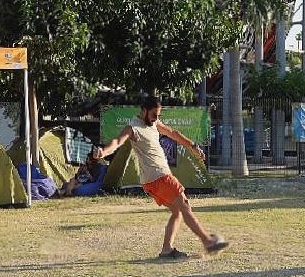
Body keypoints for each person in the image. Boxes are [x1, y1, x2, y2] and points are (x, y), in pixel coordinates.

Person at [94, 96, 228, 259]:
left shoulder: (154, 124)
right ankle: (208, 242)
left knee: (177, 211)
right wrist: (103, 152)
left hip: (152, 181)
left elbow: (173, 133)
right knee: (184, 206)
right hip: (159, 176)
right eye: (153, 115)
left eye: (158, 115)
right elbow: (116, 142)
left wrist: (193, 146)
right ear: (143, 111)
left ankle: (167, 250)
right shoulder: (132, 128)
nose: (156, 119)